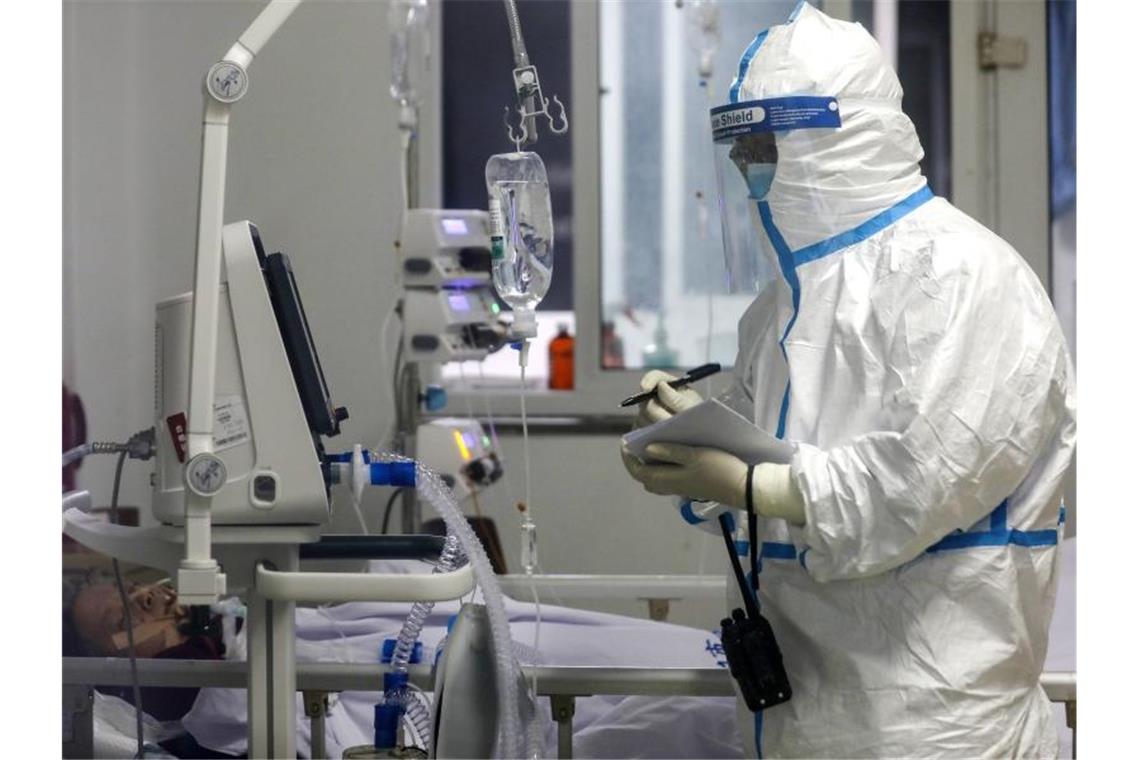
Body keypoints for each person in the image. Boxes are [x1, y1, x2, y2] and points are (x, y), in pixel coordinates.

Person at [621, 4, 1075, 758]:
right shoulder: (783, 307)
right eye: (738, 148)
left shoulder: (964, 279)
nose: (746, 168)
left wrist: (751, 486)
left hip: (940, 730)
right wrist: (690, 430)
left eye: (763, 144)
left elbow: (913, 486)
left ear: (840, 137)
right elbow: (761, 454)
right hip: (803, 722)